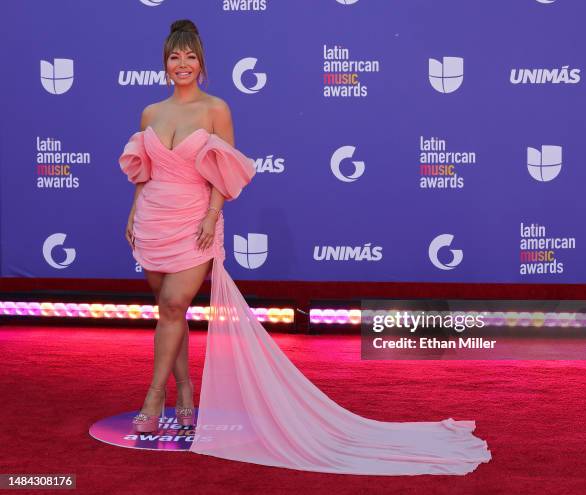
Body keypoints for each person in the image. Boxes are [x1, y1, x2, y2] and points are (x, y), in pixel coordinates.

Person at [119, 19, 492, 476]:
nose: (182, 65)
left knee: (176, 303)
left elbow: (224, 169)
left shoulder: (216, 109)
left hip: (195, 222)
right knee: (168, 310)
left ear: (202, 63)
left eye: (190, 57)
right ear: (164, 64)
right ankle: (184, 391)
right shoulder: (150, 113)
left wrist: (213, 215)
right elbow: (144, 173)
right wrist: (134, 213)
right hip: (154, 219)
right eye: (175, 57)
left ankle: (153, 396)